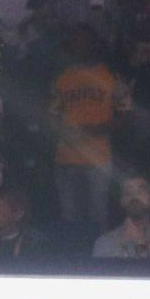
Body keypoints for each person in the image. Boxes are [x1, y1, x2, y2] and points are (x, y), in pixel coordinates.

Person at [48, 29, 125, 238]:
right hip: (67, 157)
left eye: (85, 41)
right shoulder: (62, 77)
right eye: (76, 42)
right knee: (70, 215)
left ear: (94, 44)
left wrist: (98, 129)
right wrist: (63, 132)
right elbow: (52, 116)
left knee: (98, 215)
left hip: (98, 157)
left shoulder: (110, 76)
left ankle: (98, 259)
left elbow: (125, 115)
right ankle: (73, 257)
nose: (80, 46)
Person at [94, 176, 150, 262]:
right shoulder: (104, 243)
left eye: (140, 192)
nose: (134, 197)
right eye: (128, 193)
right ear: (122, 202)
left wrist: (140, 245)